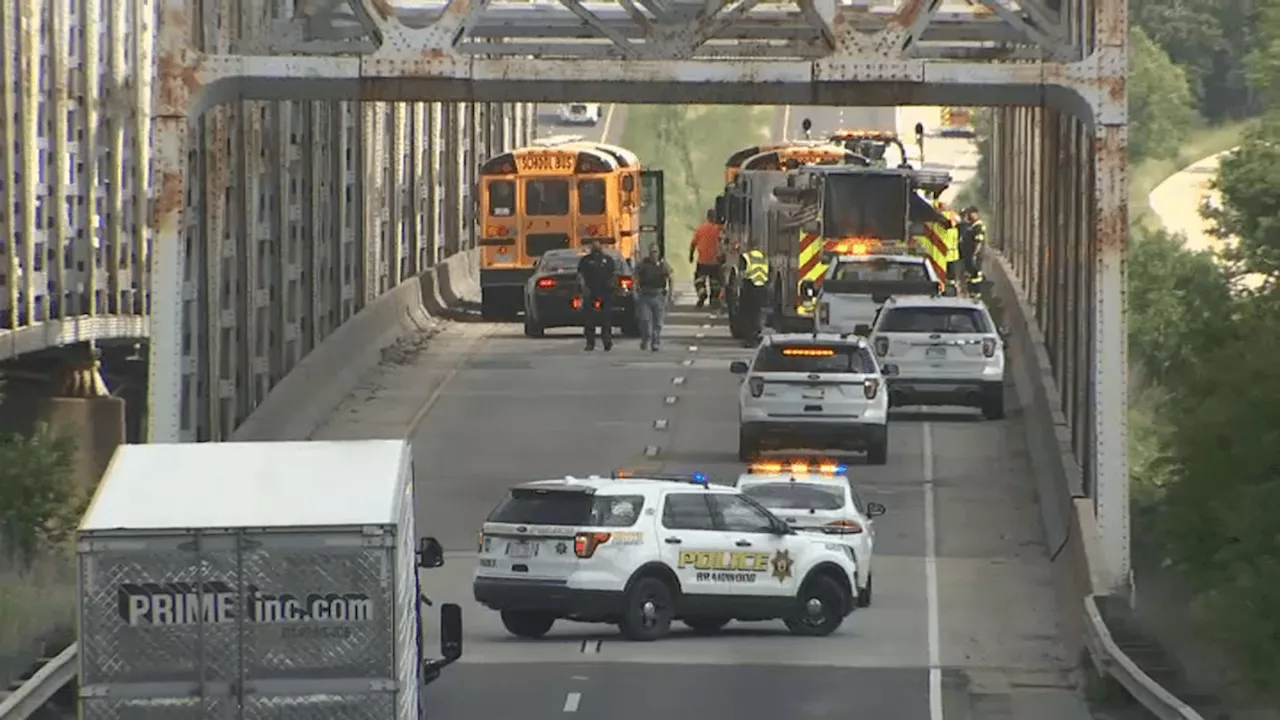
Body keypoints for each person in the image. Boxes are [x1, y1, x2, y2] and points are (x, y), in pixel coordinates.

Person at [577, 239, 619, 351]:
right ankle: (590, 343)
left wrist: (613, 286)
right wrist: (583, 288)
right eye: (593, 245)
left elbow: (614, 274)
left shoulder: (608, 260)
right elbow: (580, 275)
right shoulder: (585, 260)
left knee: (606, 318)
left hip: (606, 291)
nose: (595, 246)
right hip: (590, 291)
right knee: (589, 319)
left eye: (597, 244)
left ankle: (607, 341)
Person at [634, 245, 674, 352]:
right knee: (645, 320)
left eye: (655, 252)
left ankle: (655, 342)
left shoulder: (663, 264)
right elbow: (636, 277)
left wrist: (671, 293)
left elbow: (670, 278)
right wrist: (636, 290)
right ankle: (645, 338)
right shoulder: (643, 264)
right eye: (652, 252)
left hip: (659, 295)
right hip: (645, 295)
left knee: (658, 322)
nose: (654, 254)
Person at [737, 244, 770, 347]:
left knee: (746, 314)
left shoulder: (746, 257)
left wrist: (740, 290)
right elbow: (769, 273)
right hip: (761, 288)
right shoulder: (763, 257)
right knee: (757, 312)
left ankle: (749, 339)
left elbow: (742, 275)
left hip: (749, 287)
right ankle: (756, 334)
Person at [689, 210, 723, 308]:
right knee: (715, 282)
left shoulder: (700, 229)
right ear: (714, 217)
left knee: (699, 281)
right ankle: (714, 299)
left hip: (702, 261)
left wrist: (691, 255)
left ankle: (702, 294)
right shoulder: (718, 229)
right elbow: (723, 242)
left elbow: (693, 244)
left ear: (707, 217)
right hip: (714, 262)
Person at [959, 206, 987, 295]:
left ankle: (976, 294)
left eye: (971, 214)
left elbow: (979, 242)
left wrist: (974, 255)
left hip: (974, 256)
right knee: (969, 276)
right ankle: (971, 292)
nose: (970, 216)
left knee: (975, 276)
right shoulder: (971, 225)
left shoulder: (978, 226)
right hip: (969, 256)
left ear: (976, 214)